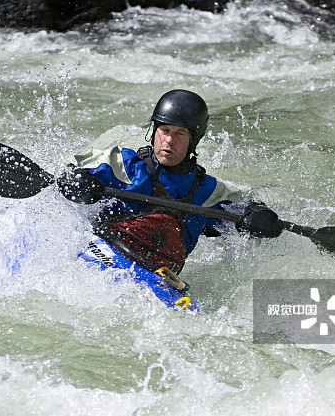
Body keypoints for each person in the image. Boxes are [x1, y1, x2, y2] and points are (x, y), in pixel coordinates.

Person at [57, 89, 284, 289]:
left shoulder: (207, 192)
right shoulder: (123, 165)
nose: (169, 141)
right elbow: (65, 172)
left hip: (157, 277)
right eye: (164, 130)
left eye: (180, 134)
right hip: (103, 250)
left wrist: (259, 218)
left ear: (193, 140)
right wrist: (73, 180)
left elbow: (243, 212)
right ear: (154, 130)